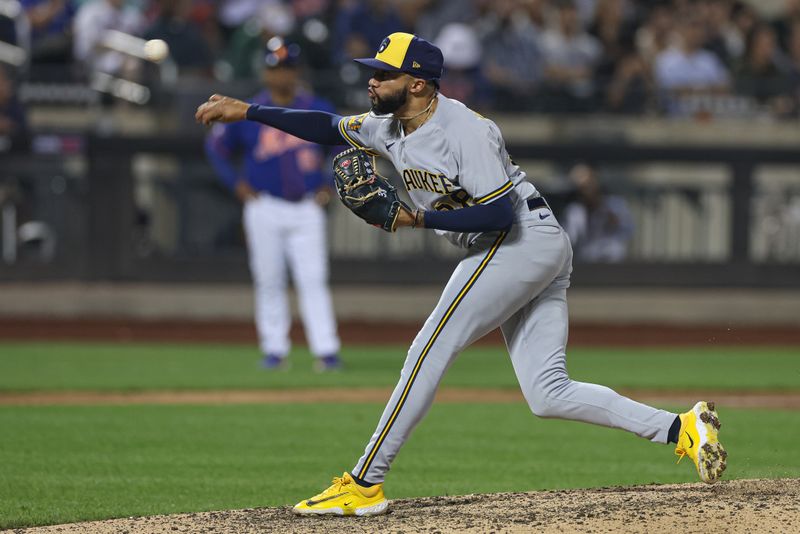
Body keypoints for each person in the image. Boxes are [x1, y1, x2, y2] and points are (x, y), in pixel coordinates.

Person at [195, 31, 727, 517]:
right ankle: (682, 429)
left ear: (420, 85)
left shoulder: (466, 130)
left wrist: (416, 218)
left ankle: (364, 483)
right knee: (548, 393)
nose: (372, 80)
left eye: (383, 73)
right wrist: (249, 112)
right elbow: (326, 126)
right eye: (372, 71)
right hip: (526, 245)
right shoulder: (386, 125)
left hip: (517, 238)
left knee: (429, 348)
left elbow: (497, 214)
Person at [204, 38, 341, 372]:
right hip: (264, 205)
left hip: (307, 206)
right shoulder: (249, 110)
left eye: (286, 67)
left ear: (297, 71)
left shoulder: (315, 107)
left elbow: (342, 143)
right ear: (265, 72)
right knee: (269, 279)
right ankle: (274, 350)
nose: (281, 75)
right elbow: (216, 147)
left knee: (313, 279)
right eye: (275, 68)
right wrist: (235, 184)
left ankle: (326, 351)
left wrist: (329, 181)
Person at [563, 163, 634, 262]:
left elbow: (628, 231)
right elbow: (570, 239)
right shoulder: (575, 211)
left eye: (589, 185)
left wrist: (614, 222)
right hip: (585, 260)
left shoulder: (615, 205)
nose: (588, 191)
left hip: (613, 259)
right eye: (583, 188)